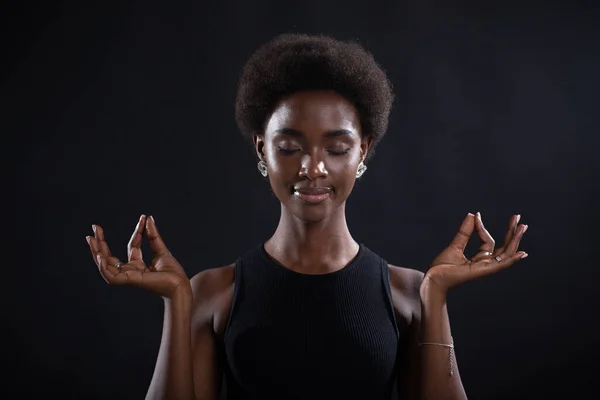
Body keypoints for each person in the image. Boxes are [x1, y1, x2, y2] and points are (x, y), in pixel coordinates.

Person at [86, 34, 529, 400]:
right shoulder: (215, 292)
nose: (312, 167)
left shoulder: (409, 292)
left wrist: (436, 298)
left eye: (336, 148)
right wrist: (176, 302)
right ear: (262, 149)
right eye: (289, 147)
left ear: (363, 151)